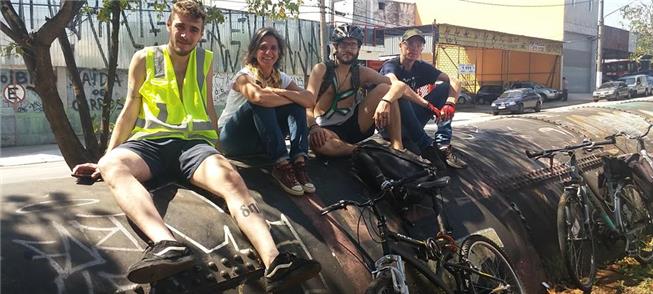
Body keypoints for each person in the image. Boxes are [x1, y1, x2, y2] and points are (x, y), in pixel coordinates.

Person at [71, 1, 320, 291]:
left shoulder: (205, 60)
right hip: (150, 143)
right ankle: (166, 244)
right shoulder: (144, 58)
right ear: (169, 25)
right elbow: (130, 108)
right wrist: (106, 157)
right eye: (180, 27)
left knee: (231, 180)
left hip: (192, 146)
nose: (186, 35)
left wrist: (218, 150)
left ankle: (275, 261)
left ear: (201, 33)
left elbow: (208, 107)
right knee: (114, 165)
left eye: (193, 30)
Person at [218, 27, 315, 196]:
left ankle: (299, 162)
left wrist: (281, 92)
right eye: (263, 47)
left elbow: (309, 99)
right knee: (262, 102)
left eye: (273, 48)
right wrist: (291, 96)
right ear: (254, 51)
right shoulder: (243, 76)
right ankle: (281, 165)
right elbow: (258, 97)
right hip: (233, 139)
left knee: (297, 106)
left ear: (279, 52)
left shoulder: (281, 78)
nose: (268, 52)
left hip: (263, 140)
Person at [306, 24, 421, 157]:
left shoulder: (361, 72)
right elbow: (307, 103)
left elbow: (398, 86)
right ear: (335, 47)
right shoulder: (321, 69)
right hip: (326, 128)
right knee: (317, 143)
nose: (348, 49)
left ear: (358, 49)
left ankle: (397, 148)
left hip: (355, 125)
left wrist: (386, 101)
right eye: (344, 45)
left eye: (353, 45)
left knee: (385, 89)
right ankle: (364, 151)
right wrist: (313, 126)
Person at [380, 28, 467, 169]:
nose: (414, 48)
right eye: (410, 44)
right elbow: (397, 86)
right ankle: (426, 146)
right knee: (401, 96)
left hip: (413, 121)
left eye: (418, 45)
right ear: (401, 46)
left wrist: (450, 103)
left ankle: (443, 144)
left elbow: (455, 81)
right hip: (393, 124)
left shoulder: (422, 67)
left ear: (422, 49)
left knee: (446, 88)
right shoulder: (390, 66)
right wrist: (428, 105)